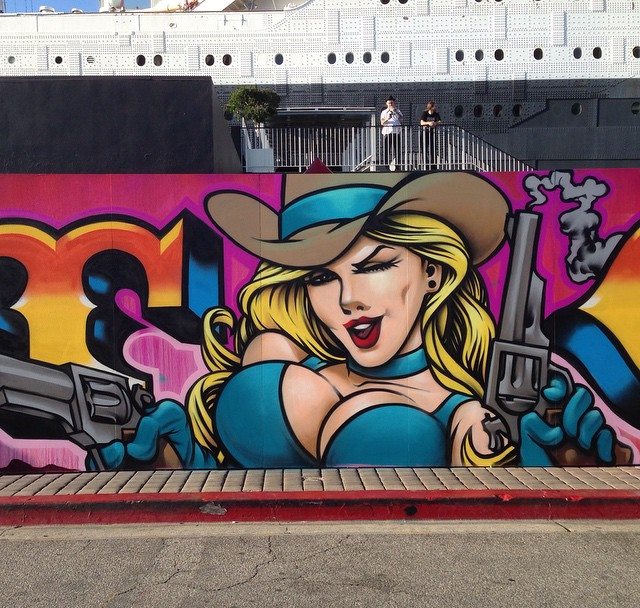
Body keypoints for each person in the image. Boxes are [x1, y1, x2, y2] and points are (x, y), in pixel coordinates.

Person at [88, 172, 628, 471]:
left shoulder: (465, 413)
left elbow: (487, 480)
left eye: (374, 266)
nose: (348, 300)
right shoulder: (280, 358)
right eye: (322, 277)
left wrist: (548, 460)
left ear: (433, 273)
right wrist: (175, 455)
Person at [380, 96, 403, 171]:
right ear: (386, 103)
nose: (391, 104)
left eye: (392, 103)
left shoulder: (397, 111)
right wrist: (387, 118)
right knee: (386, 150)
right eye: (389, 103)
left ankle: (397, 166)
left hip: (396, 132)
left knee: (397, 150)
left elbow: (401, 119)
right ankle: (386, 166)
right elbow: (382, 123)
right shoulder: (384, 112)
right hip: (387, 132)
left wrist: (395, 112)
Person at [419, 101, 442, 171]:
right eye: (434, 106)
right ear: (431, 107)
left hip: (432, 133)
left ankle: (433, 165)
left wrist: (435, 123)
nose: (435, 107)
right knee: (424, 149)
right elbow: (422, 122)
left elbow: (440, 121)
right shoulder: (425, 113)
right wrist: (429, 123)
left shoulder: (436, 114)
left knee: (433, 149)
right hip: (425, 133)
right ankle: (425, 165)